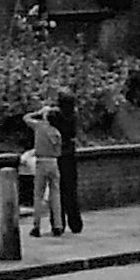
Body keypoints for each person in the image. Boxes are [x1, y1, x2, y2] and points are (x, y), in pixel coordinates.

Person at [22, 104, 63, 236]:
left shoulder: (39, 127)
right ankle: (58, 225)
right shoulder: (56, 132)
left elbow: (26, 118)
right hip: (54, 162)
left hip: (41, 162)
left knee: (38, 195)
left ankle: (36, 226)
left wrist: (38, 112)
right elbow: (59, 151)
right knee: (55, 194)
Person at [54, 89, 83, 233]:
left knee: (57, 191)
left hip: (57, 155)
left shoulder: (55, 116)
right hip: (70, 154)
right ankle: (76, 223)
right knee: (71, 191)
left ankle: (59, 224)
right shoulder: (74, 116)